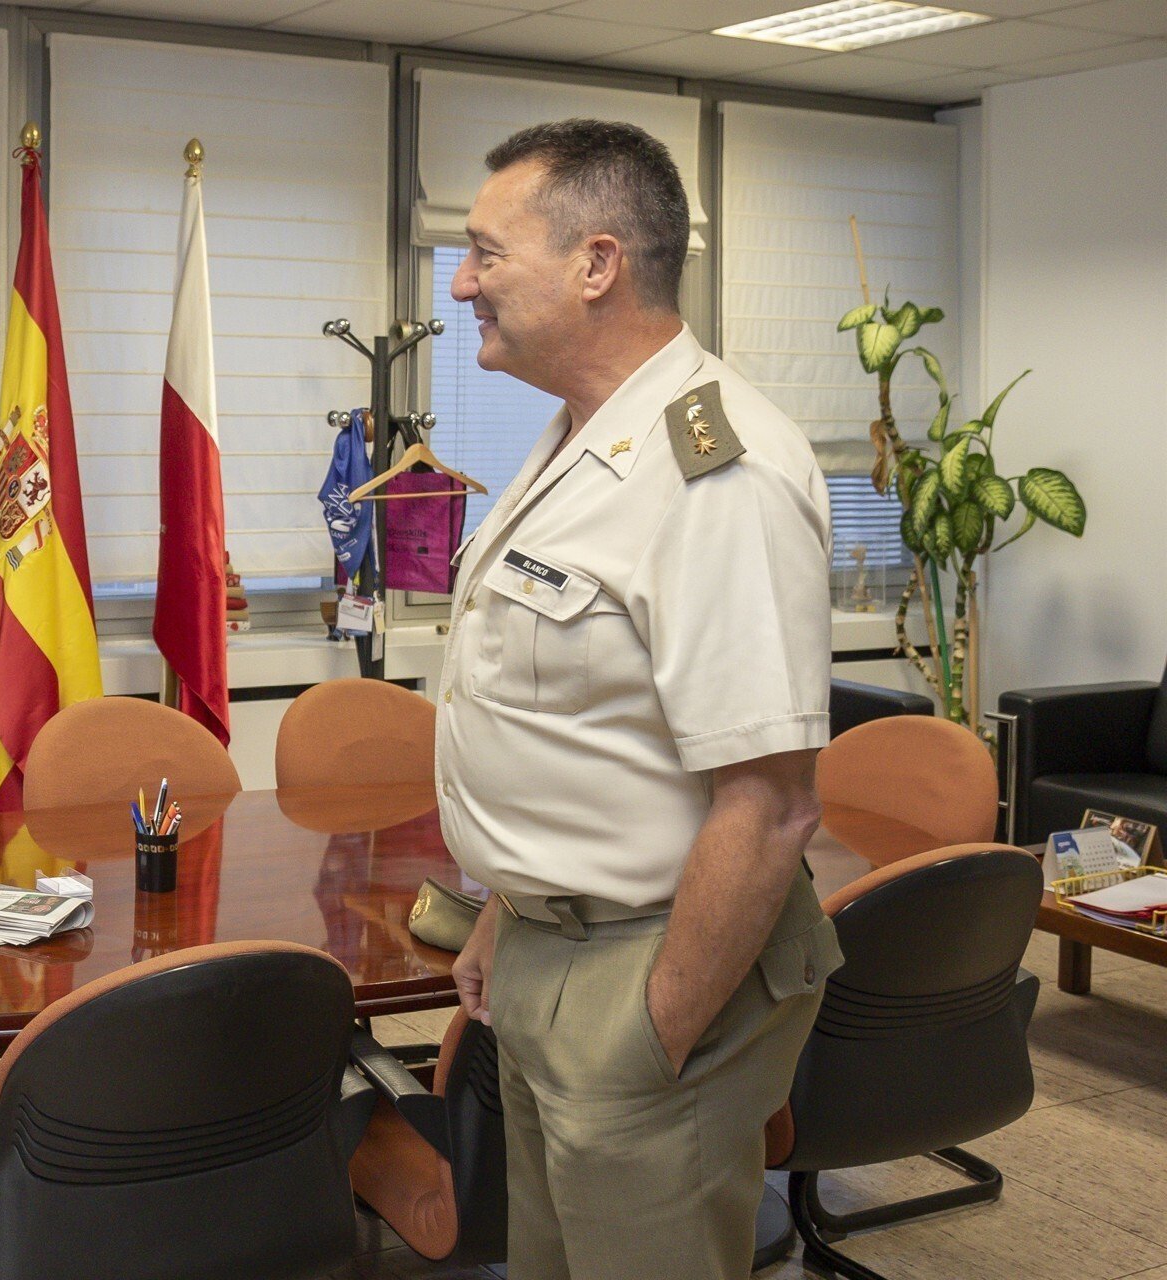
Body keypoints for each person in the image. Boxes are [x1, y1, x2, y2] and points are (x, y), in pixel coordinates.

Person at [437, 119, 843, 1279]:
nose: (461, 282)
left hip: (648, 967)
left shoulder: (718, 470)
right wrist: (510, 908)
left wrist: (662, 1020)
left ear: (596, 263)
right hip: (550, 952)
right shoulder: (585, 436)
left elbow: (770, 801)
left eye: (486, 252)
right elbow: (579, 730)